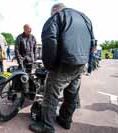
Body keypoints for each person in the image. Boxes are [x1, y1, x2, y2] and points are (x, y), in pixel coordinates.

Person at [29, 3, 96, 133]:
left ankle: (46, 126)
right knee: (72, 94)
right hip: (81, 63)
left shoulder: (57, 17)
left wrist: (49, 65)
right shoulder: (85, 18)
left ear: (54, 11)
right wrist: (86, 61)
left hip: (64, 63)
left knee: (51, 94)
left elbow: (49, 41)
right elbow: (93, 44)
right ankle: (65, 120)